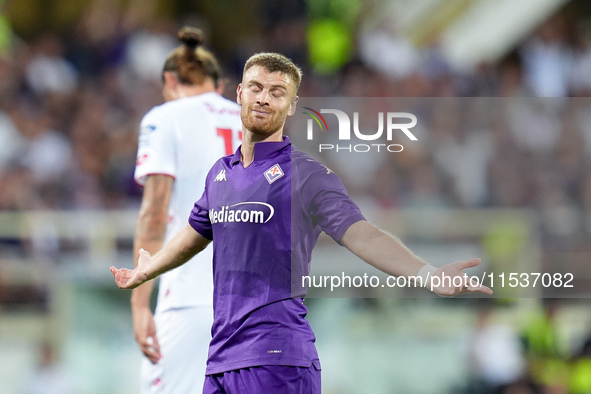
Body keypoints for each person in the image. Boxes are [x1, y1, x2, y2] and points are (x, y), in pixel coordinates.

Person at [112, 52, 492, 394]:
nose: (263, 98)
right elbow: (193, 236)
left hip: (278, 359)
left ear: (292, 107)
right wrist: (149, 269)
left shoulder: (306, 175)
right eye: (257, 88)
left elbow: (363, 235)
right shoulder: (220, 174)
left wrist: (428, 274)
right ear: (240, 93)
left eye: (277, 92)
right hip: (221, 360)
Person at [131, 27, 242, 393]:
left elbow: (154, 212)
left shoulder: (165, 117)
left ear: (168, 80)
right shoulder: (253, 120)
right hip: (257, 301)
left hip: (192, 296)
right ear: (220, 85)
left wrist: (139, 302)